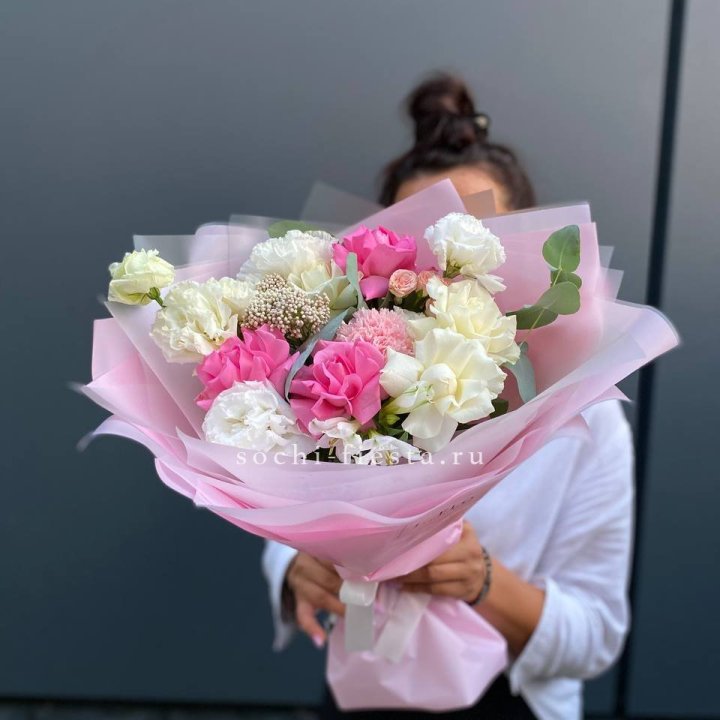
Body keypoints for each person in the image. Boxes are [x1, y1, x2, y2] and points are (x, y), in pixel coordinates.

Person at [262, 73, 633, 720]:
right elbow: (278, 505)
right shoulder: (339, 372)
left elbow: (597, 635)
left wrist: (481, 580)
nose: (449, 267)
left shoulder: (588, 414)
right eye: (423, 236)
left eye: (479, 237)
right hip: (362, 687)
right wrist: (295, 567)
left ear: (531, 245)